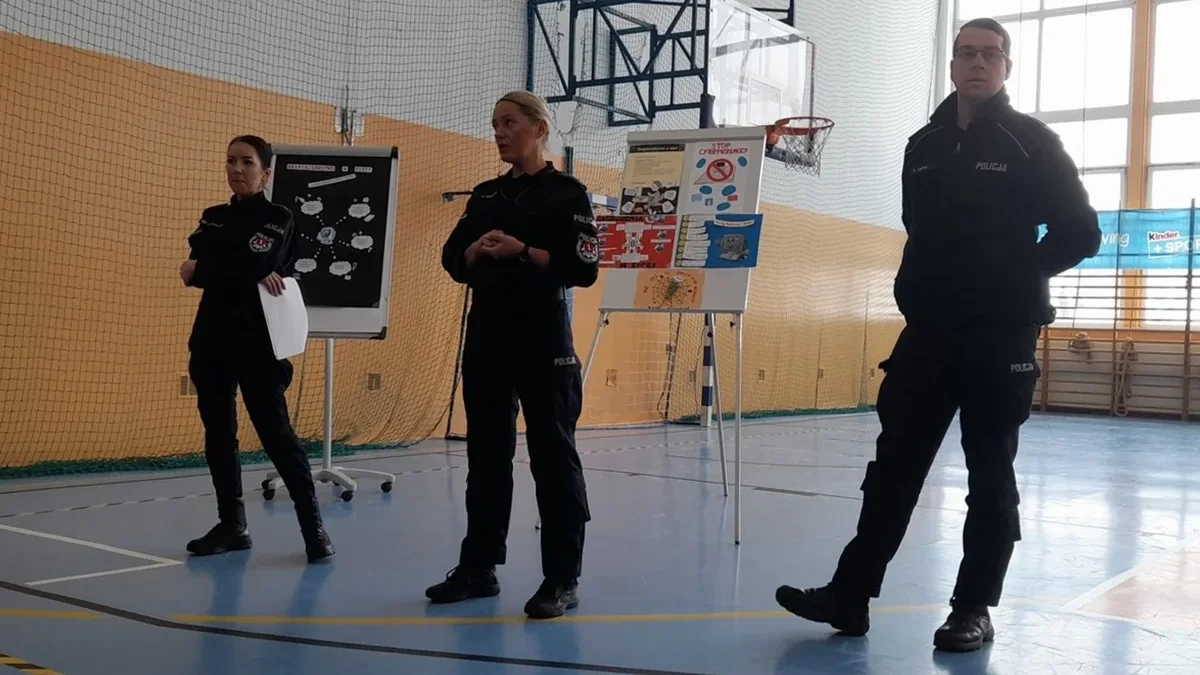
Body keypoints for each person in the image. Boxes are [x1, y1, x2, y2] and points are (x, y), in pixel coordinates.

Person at [775, 18, 1102, 652]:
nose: (977, 63)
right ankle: (850, 595)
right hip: (927, 333)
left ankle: (973, 608)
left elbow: (1081, 232)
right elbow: (916, 226)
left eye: (990, 54)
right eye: (966, 53)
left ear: (1006, 67)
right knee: (892, 469)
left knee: (989, 474)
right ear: (952, 66)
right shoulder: (921, 145)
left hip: (1000, 336)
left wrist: (1017, 277)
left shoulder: (1033, 143)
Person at [429, 91, 601, 619]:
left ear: (539, 129)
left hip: (544, 340)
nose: (500, 133)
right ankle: (479, 567)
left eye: (509, 123)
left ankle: (562, 578)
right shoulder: (485, 195)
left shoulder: (567, 193)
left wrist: (522, 251)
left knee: (553, 458)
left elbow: (583, 269)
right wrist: (474, 250)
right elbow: (451, 259)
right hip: (488, 339)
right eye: (495, 124)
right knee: (485, 458)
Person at [179, 135, 335, 564]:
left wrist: (215, 268)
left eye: (247, 162)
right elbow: (205, 267)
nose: (237, 169)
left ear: (265, 173)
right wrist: (239, 267)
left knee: (277, 435)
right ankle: (232, 525)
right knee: (218, 435)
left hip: (259, 345)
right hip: (211, 342)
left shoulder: (278, 217)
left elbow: (237, 264)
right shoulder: (213, 217)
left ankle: (313, 529)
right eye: (230, 161)